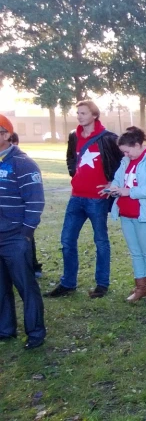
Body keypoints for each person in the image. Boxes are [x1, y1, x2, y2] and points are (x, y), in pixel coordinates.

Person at [47, 100, 122, 299]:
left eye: (83, 113)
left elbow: (124, 160)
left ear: (94, 115)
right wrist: (75, 174)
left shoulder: (108, 138)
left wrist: (112, 183)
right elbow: (71, 157)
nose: (79, 116)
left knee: (100, 241)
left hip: (97, 199)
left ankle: (102, 284)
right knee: (67, 240)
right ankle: (68, 283)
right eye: (78, 113)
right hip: (76, 198)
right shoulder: (74, 136)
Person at [102, 127, 146, 303]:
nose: (126, 155)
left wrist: (128, 191)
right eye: (123, 152)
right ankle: (140, 288)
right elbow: (118, 179)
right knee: (136, 252)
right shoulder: (125, 161)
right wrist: (113, 188)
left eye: (127, 151)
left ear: (138, 145)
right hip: (126, 213)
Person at [0, 115, 46, 349]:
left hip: (15, 237)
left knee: (26, 286)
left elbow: (36, 202)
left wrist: (25, 234)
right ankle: (5, 330)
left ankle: (36, 333)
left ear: (6, 135)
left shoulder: (23, 163)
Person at [9, 133, 43, 278]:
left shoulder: (24, 163)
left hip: (19, 218)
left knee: (26, 239)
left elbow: (35, 200)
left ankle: (32, 267)